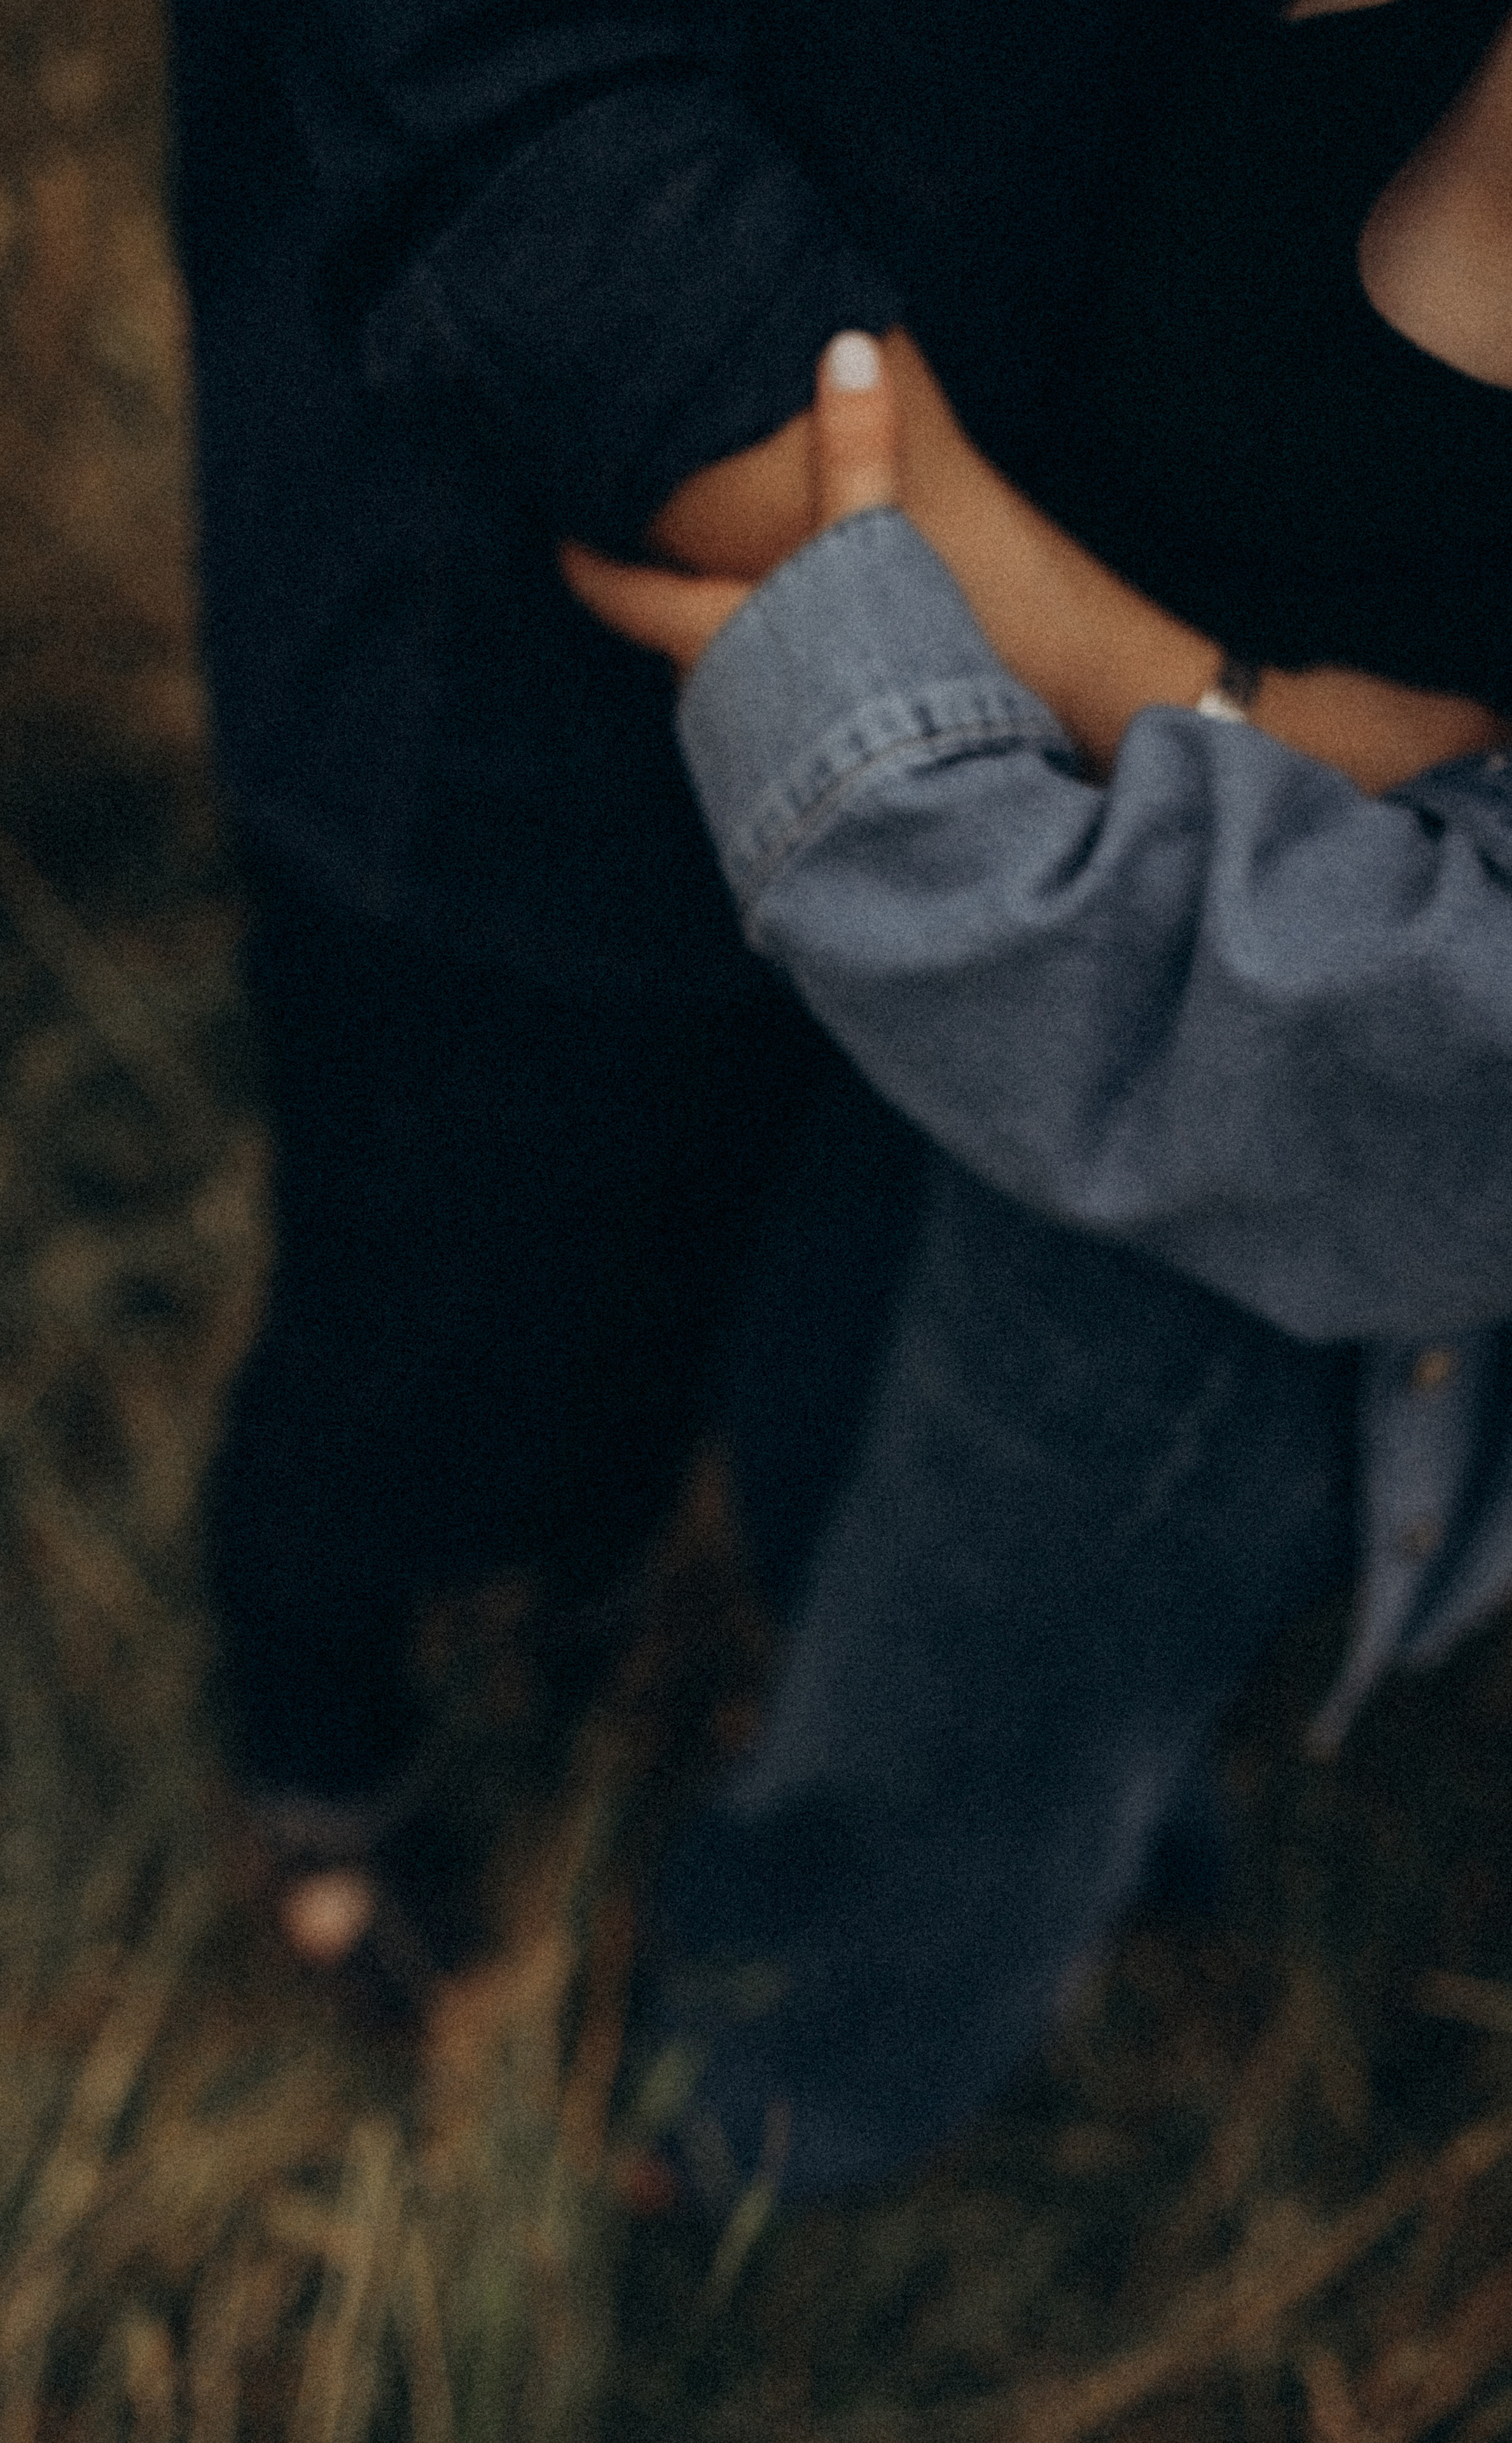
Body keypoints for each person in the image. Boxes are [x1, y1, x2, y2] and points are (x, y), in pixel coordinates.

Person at [560, 0, 1512, 2203]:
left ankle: (768, 2122)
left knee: (959, 1710)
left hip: (1224, 1188)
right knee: (822, 1423)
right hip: (988, 963)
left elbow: (1457, 1052)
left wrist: (959, 673)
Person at [163, 0, 1119, 1979]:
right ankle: (316, 1741)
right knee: (411, 1297)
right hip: (477, 665)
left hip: (981, 624)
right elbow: (527, 155)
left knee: (703, 1221)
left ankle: (575, 1571)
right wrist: (1202, 713)